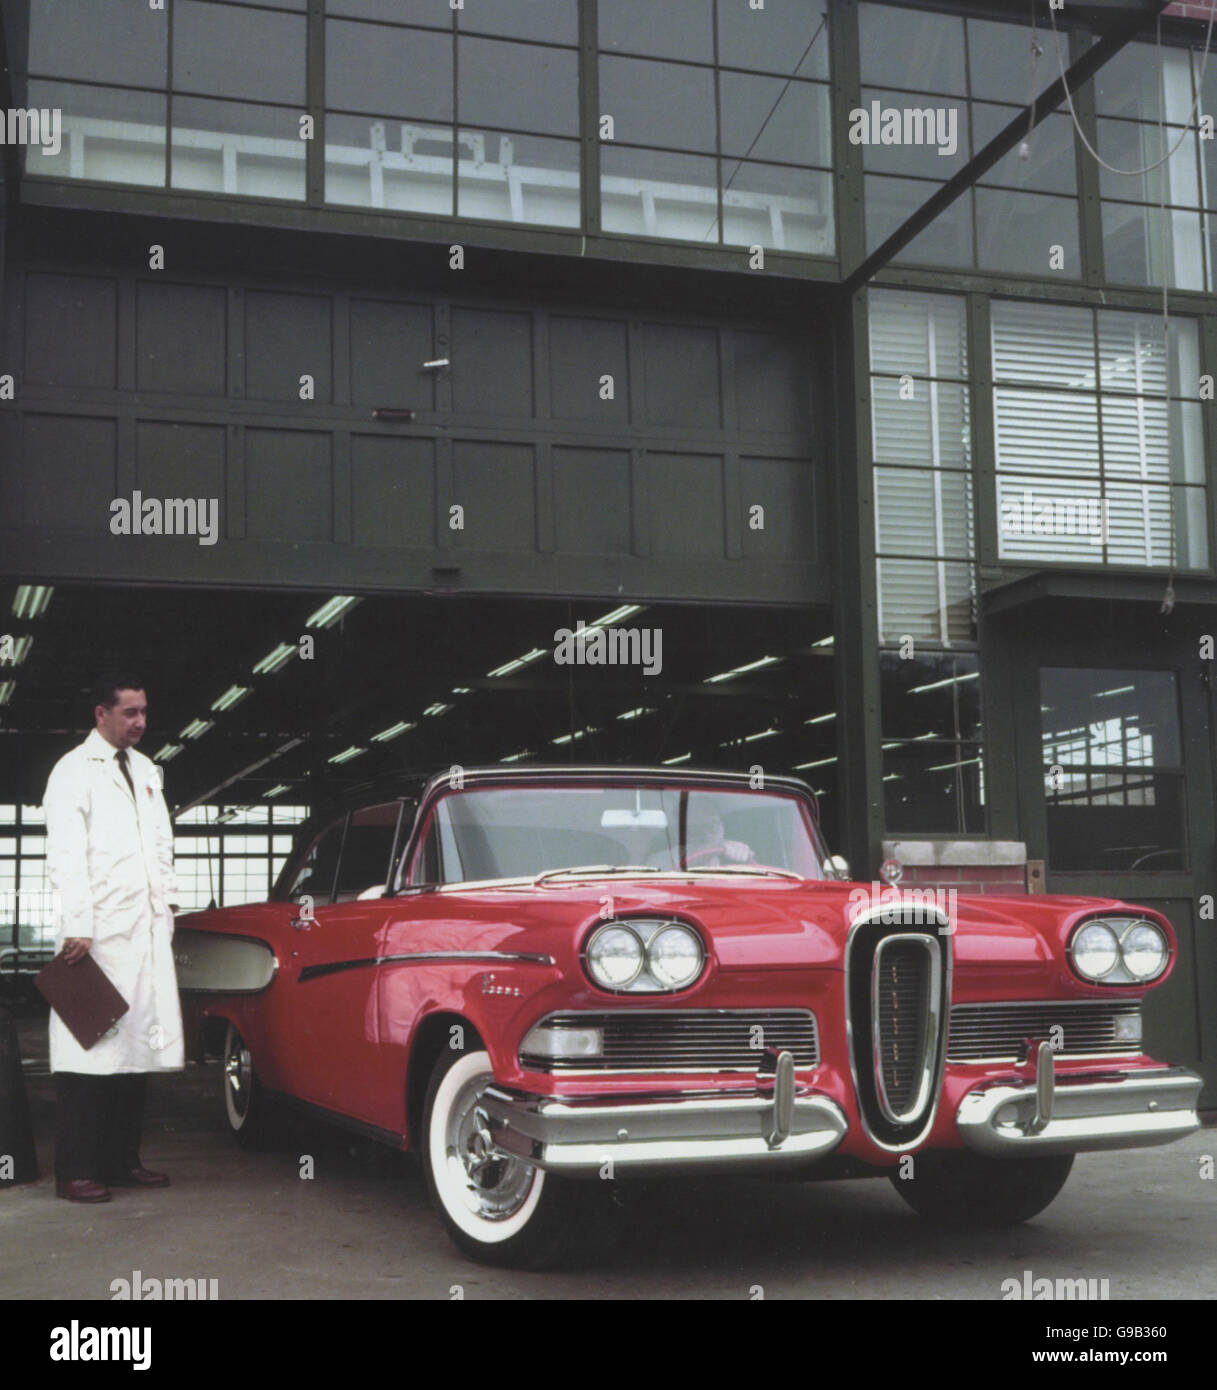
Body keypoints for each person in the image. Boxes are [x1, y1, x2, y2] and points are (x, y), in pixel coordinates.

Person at [43, 674, 183, 1203]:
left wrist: (166, 902)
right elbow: (65, 853)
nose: (140, 722)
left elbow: (161, 842)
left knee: (134, 1050)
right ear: (101, 714)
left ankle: (123, 1161)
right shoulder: (72, 772)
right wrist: (78, 921)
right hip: (96, 935)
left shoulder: (147, 770)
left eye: (144, 711)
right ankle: (75, 1171)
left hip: (143, 929)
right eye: (129, 713)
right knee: (88, 1051)